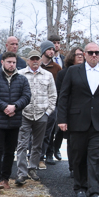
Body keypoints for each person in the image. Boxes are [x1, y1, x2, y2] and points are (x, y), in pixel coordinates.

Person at [56, 42, 99, 197]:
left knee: (96, 158)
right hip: (77, 121)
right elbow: (64, 96)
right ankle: (80, 187)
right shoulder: (72, 71)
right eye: (90, 52)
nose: (94, 55)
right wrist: (61, 119)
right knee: (79, 157)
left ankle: (95, 192)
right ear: (84, 54)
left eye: (97, 52)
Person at [0, 52, 31, 192]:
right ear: (2, 62)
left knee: (10, 152)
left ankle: (5, 178)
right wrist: (4, 107)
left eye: (14, 62)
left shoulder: (22, 79)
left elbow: (27, 96)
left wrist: (15, 107)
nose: (12, 64)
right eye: (9, 62)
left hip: (14, 121)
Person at [14, 50, 57, 186]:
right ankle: (21, 173)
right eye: (32, 59)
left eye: (37, 59)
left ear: (40, 60)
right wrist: (18, 109)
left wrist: (48, 112)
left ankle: (32, 168)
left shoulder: (48, 75)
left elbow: (53, 95)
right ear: (27, 61)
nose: (35, 61)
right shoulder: (20, 74)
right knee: (22, 144)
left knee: (37, 145)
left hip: (41, 114)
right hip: (24, 114)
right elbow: (15, 94)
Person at [54, 47, 85, 171]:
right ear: (72, 56)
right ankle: (73, 167)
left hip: (85, 111)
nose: (80, 57)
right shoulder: (63, 73)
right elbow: (60, 94)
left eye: (82, 55)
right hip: (70, 111)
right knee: (72, 141)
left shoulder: (88, 72)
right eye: (77, 55)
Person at [37, 40, 62, 168]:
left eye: (53, 49)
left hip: (51, 105)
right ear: (43, 51)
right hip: (36, 104)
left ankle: (42, 157)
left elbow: (59, 87)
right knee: (34, 133)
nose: (52, 51)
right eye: (49, 49)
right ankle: (33, 156)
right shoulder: (36, 65)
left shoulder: (57, 68)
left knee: (48, 133)